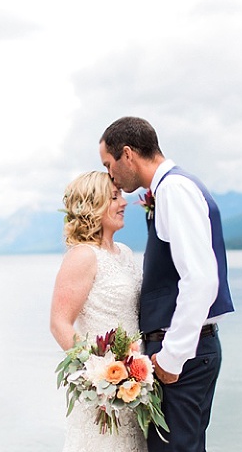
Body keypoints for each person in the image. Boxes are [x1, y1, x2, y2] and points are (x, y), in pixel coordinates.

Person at [99, 117, 235, 452]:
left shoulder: (174, 190)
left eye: (108, 164)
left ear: (127, 154)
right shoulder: (170, 189)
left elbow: (200, 279)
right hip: (190, 351)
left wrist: (172, 356)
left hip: (183, 356)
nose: (110, 175)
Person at [49, 171, 147, 452]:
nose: (124, 202)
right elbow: (60, 324)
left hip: (133, 389)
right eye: (114, 197)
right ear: (94, 205)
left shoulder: (126, 253)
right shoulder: (82, 256)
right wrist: (98, 375)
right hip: (102, 394)